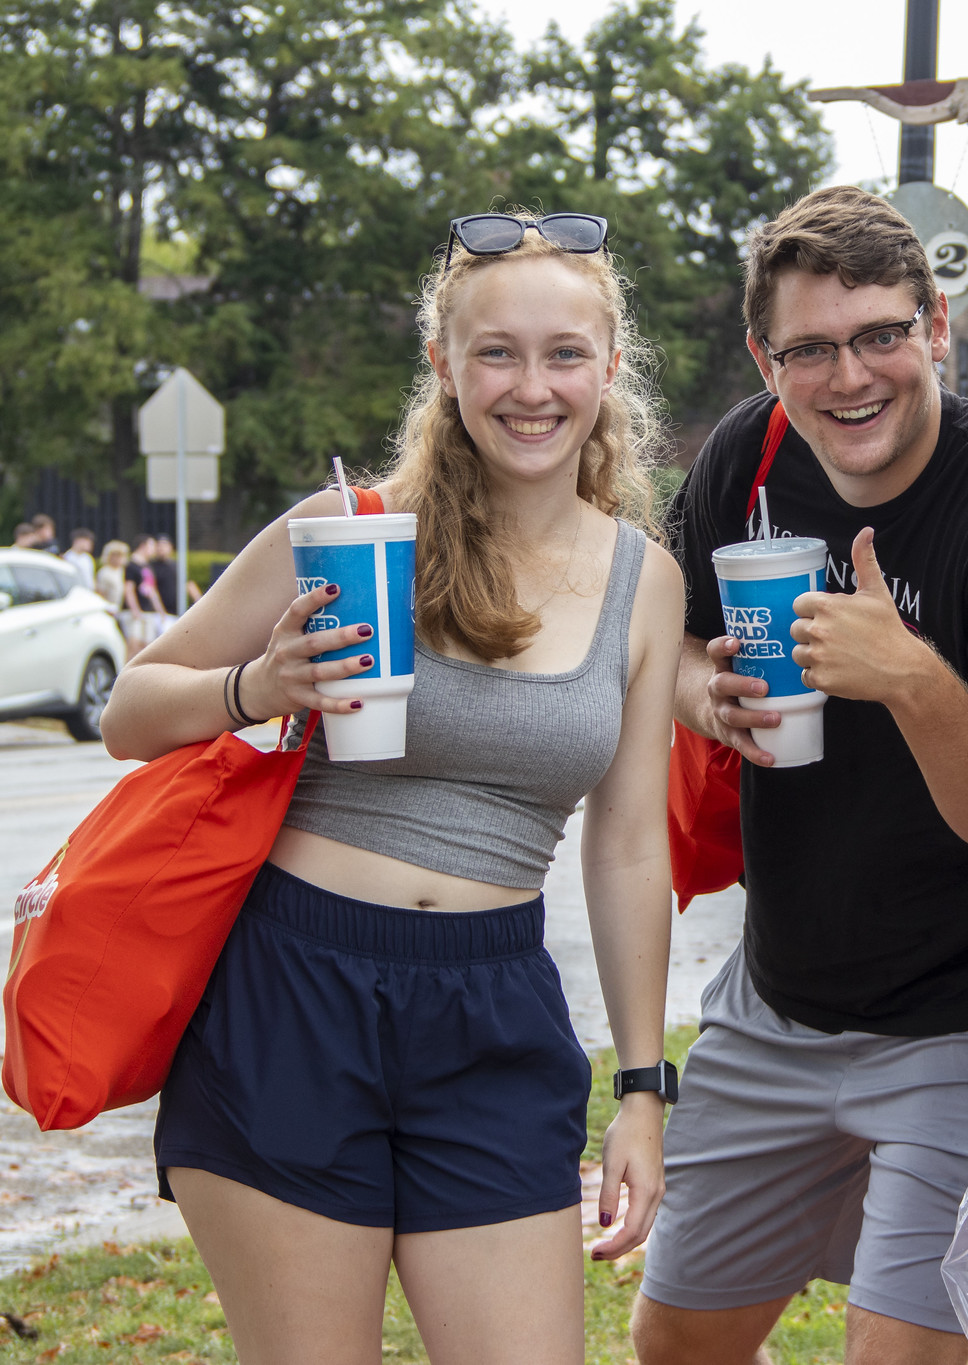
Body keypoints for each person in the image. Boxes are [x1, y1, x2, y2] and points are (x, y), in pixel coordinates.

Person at [99, 208, 683, 1363]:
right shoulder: (346, 531)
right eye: (496, 352)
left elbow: (626, 850)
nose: (532, 386)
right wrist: (258, 687)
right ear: (444, 365)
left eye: (564, 353)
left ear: (608, 367)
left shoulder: (643, 582)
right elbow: (130, 708)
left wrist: (643, 1090)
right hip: (290, 997)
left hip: (492, 1009)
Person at [634, 185, 968, 1365]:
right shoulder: (749, 456)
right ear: (762, 359)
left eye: (880, 334)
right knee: (673, 1345)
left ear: (935, 325)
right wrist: (703, 696)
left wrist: (911, 679)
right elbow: (665, 638)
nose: (849, 377)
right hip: (777, 1007)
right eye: (810, 349)